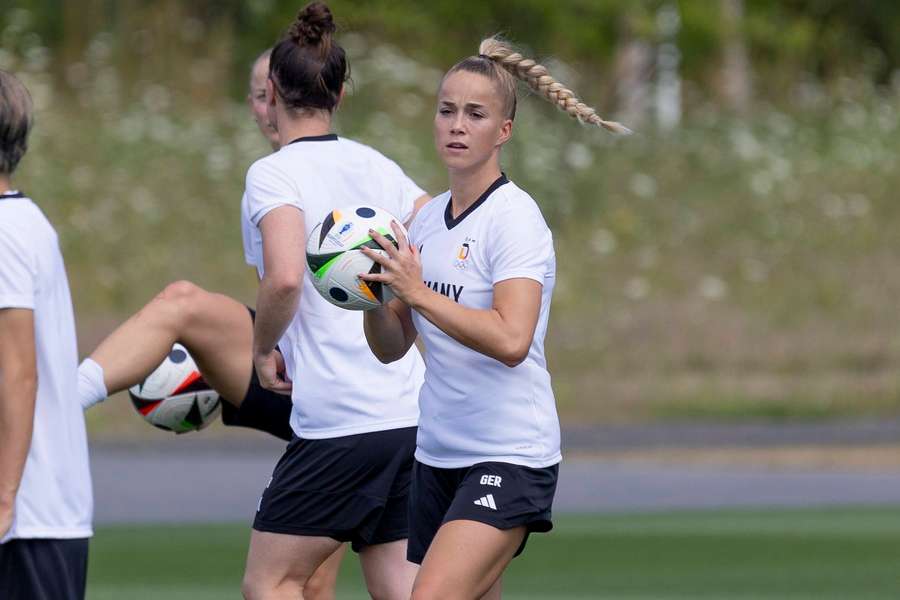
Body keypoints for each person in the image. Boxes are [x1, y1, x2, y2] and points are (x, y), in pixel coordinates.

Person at [74, 48, 358, 599]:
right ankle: (64, 400)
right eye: (253, 95)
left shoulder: (358, 170)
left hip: (357, 393)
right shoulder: (272, 177)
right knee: (183, 304)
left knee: (318, 583)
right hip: (295, 376)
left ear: (287, 95)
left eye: (264, 94)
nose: (260, 108)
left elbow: (286, 282)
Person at [360, 36, 629, 599]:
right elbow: (391, 346)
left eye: (475, 114)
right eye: (446, 110)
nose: (457, 125)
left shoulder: (516, 220)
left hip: (510, 453)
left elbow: (512, 338)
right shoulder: (427, 221)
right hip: (437, 455)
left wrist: (420, 292)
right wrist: (371, 295)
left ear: (503, 131)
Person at [239, 3, 428, 599]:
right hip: (411, 418)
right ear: (342, 93)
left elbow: (287, 278)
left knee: (269, 583)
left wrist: (262, 347)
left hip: (339, 426)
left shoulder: (274, 175)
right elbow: (439, 245)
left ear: (271, 91)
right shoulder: (381, 169)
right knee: (399, 589)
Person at [0, 70, 94, 600]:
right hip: (35, 517)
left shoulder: (6, 232)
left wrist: (5, 500)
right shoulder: (24, 220)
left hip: (27, 522)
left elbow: (19, 372)